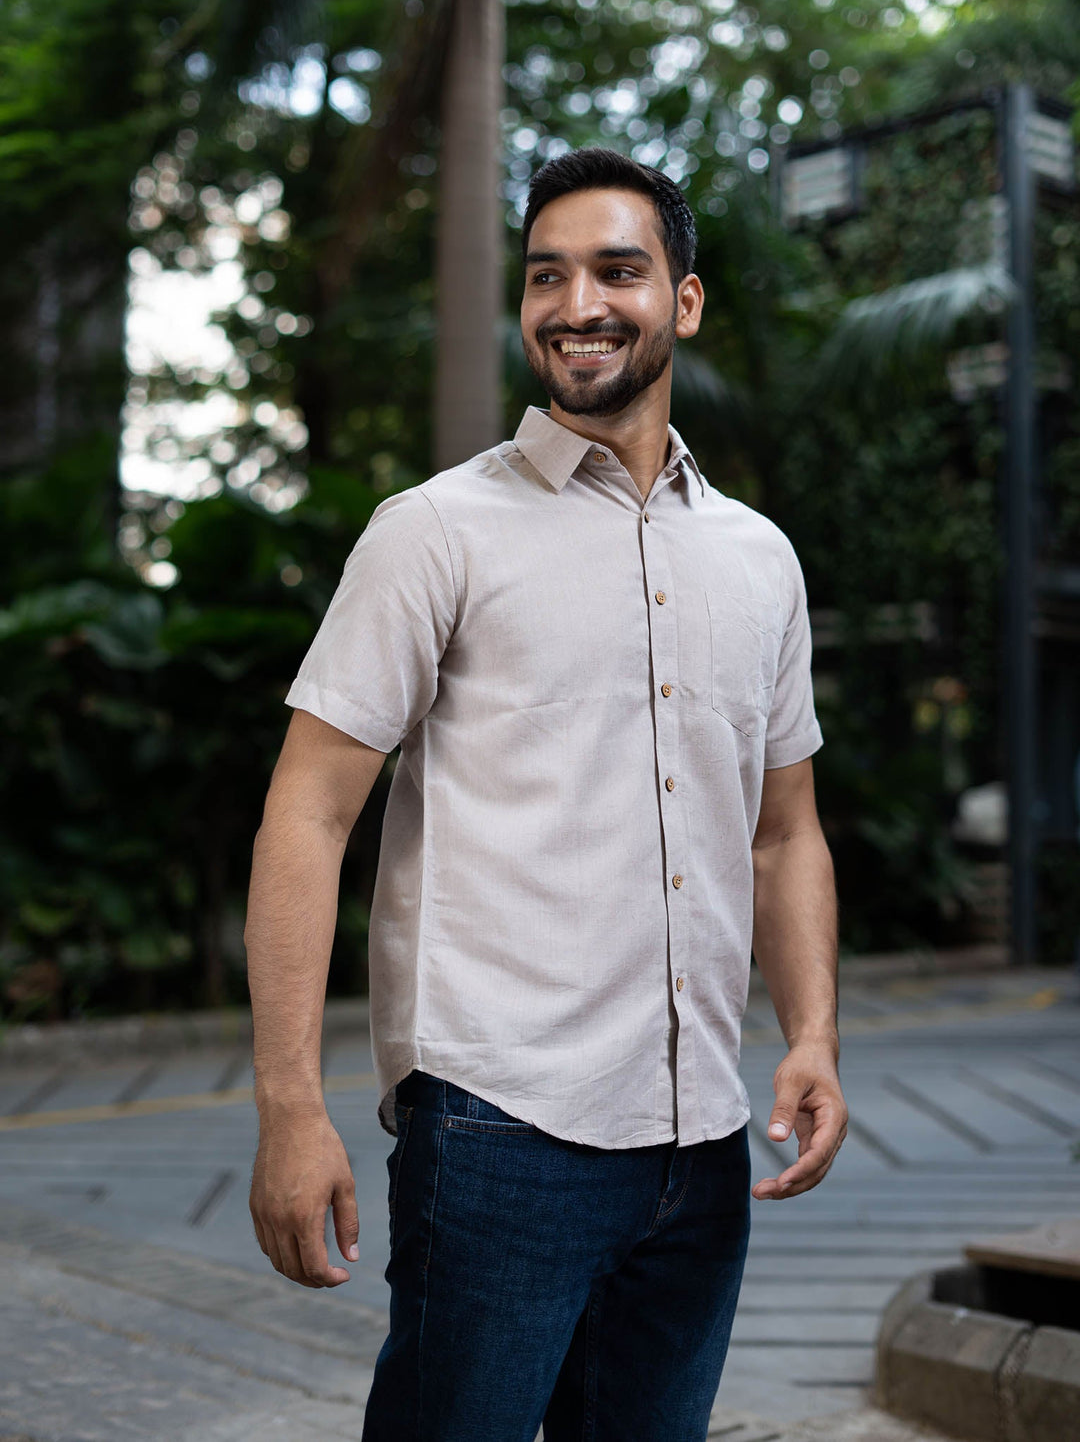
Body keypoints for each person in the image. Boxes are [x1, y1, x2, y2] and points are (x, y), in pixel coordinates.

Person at [245, 147, 848, 1442]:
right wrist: (291, 1109)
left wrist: (810, 1035)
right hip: (498, 1134)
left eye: (619, 270)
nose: (579, 302)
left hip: (703, 1146)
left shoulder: (758, 558)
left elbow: (785, 829)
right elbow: (309, 811)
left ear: (682, 300)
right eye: (548, 275)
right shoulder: (436, 531)